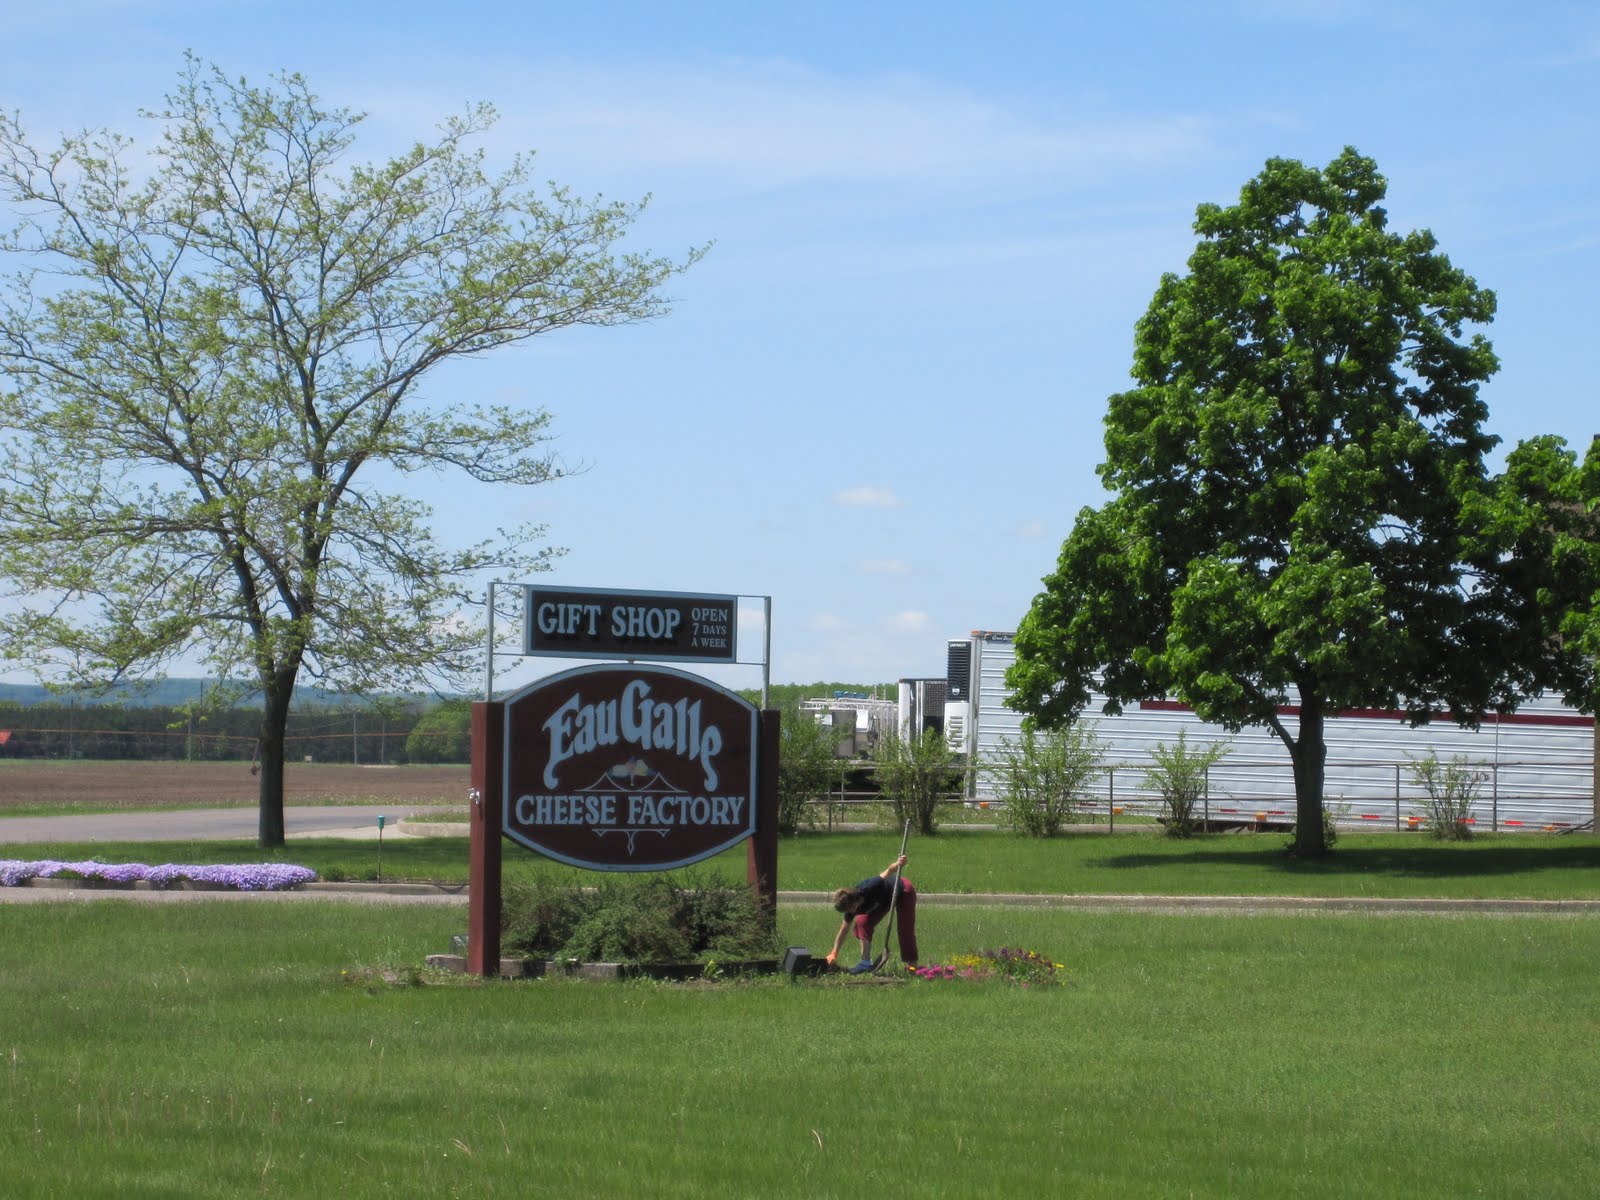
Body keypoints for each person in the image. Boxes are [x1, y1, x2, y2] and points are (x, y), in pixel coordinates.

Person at [825, 852, 918, 972]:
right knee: (862, 922)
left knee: (904, 929)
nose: (849, 912)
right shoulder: (850, 908)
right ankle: (865, 963)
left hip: (902, 890)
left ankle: (912, 966)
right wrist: (834, 952)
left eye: (849, 909)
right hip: (884, 900)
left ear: (853, 902)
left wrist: (899, 863)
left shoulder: (869, 886)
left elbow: (888, 871)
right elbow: (843, 930)